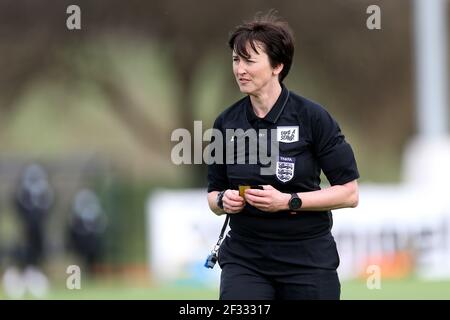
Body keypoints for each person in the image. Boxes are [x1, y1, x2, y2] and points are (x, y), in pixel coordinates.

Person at [206, 12, 359, 300]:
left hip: (308, 260)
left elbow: (349, 194)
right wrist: (224, 199)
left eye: (249, 61)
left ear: (278, 65)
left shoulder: (313, 117)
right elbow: (213, 196)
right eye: (236, 60)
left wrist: (288, 201)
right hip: (245, 259)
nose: (240, 69)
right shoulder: (226, 123)